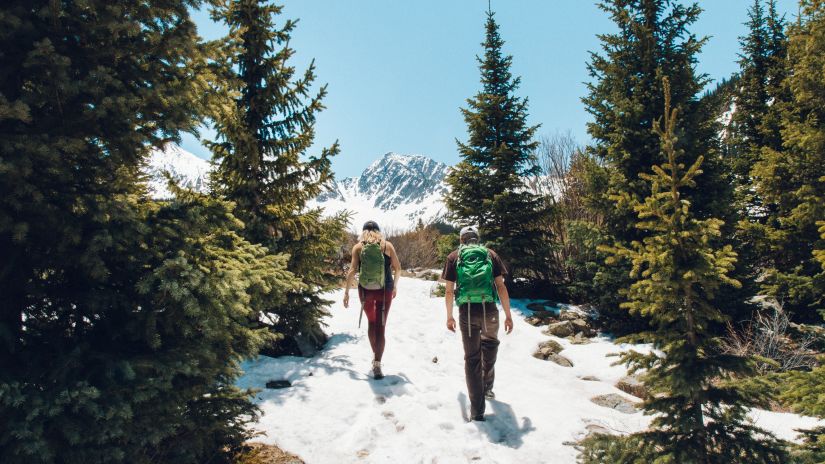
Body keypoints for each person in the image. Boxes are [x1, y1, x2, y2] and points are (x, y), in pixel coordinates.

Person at [441, 225, 513, 421]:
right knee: (490, 346)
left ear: (462, 240)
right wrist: (508, 314)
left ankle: (477, 411)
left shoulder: (454, 257)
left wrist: (449, 316)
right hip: (489, 309)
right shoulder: (490, 254)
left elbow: (448, 290)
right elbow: (500, 286)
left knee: (472, 359)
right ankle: (488, 387)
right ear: (477, 239)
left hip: (467, 312)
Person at [343, 221, 402, 379]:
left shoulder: (358, 247)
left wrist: (347, 292)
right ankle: (377, 363)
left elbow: (352, 271)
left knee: (372, 323)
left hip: (366, 292)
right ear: (378, 231)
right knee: (381, 326)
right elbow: (398, 268)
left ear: (363, 232)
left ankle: (374, 356)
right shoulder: (387, 246)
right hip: (385, 291)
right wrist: (394, 286)